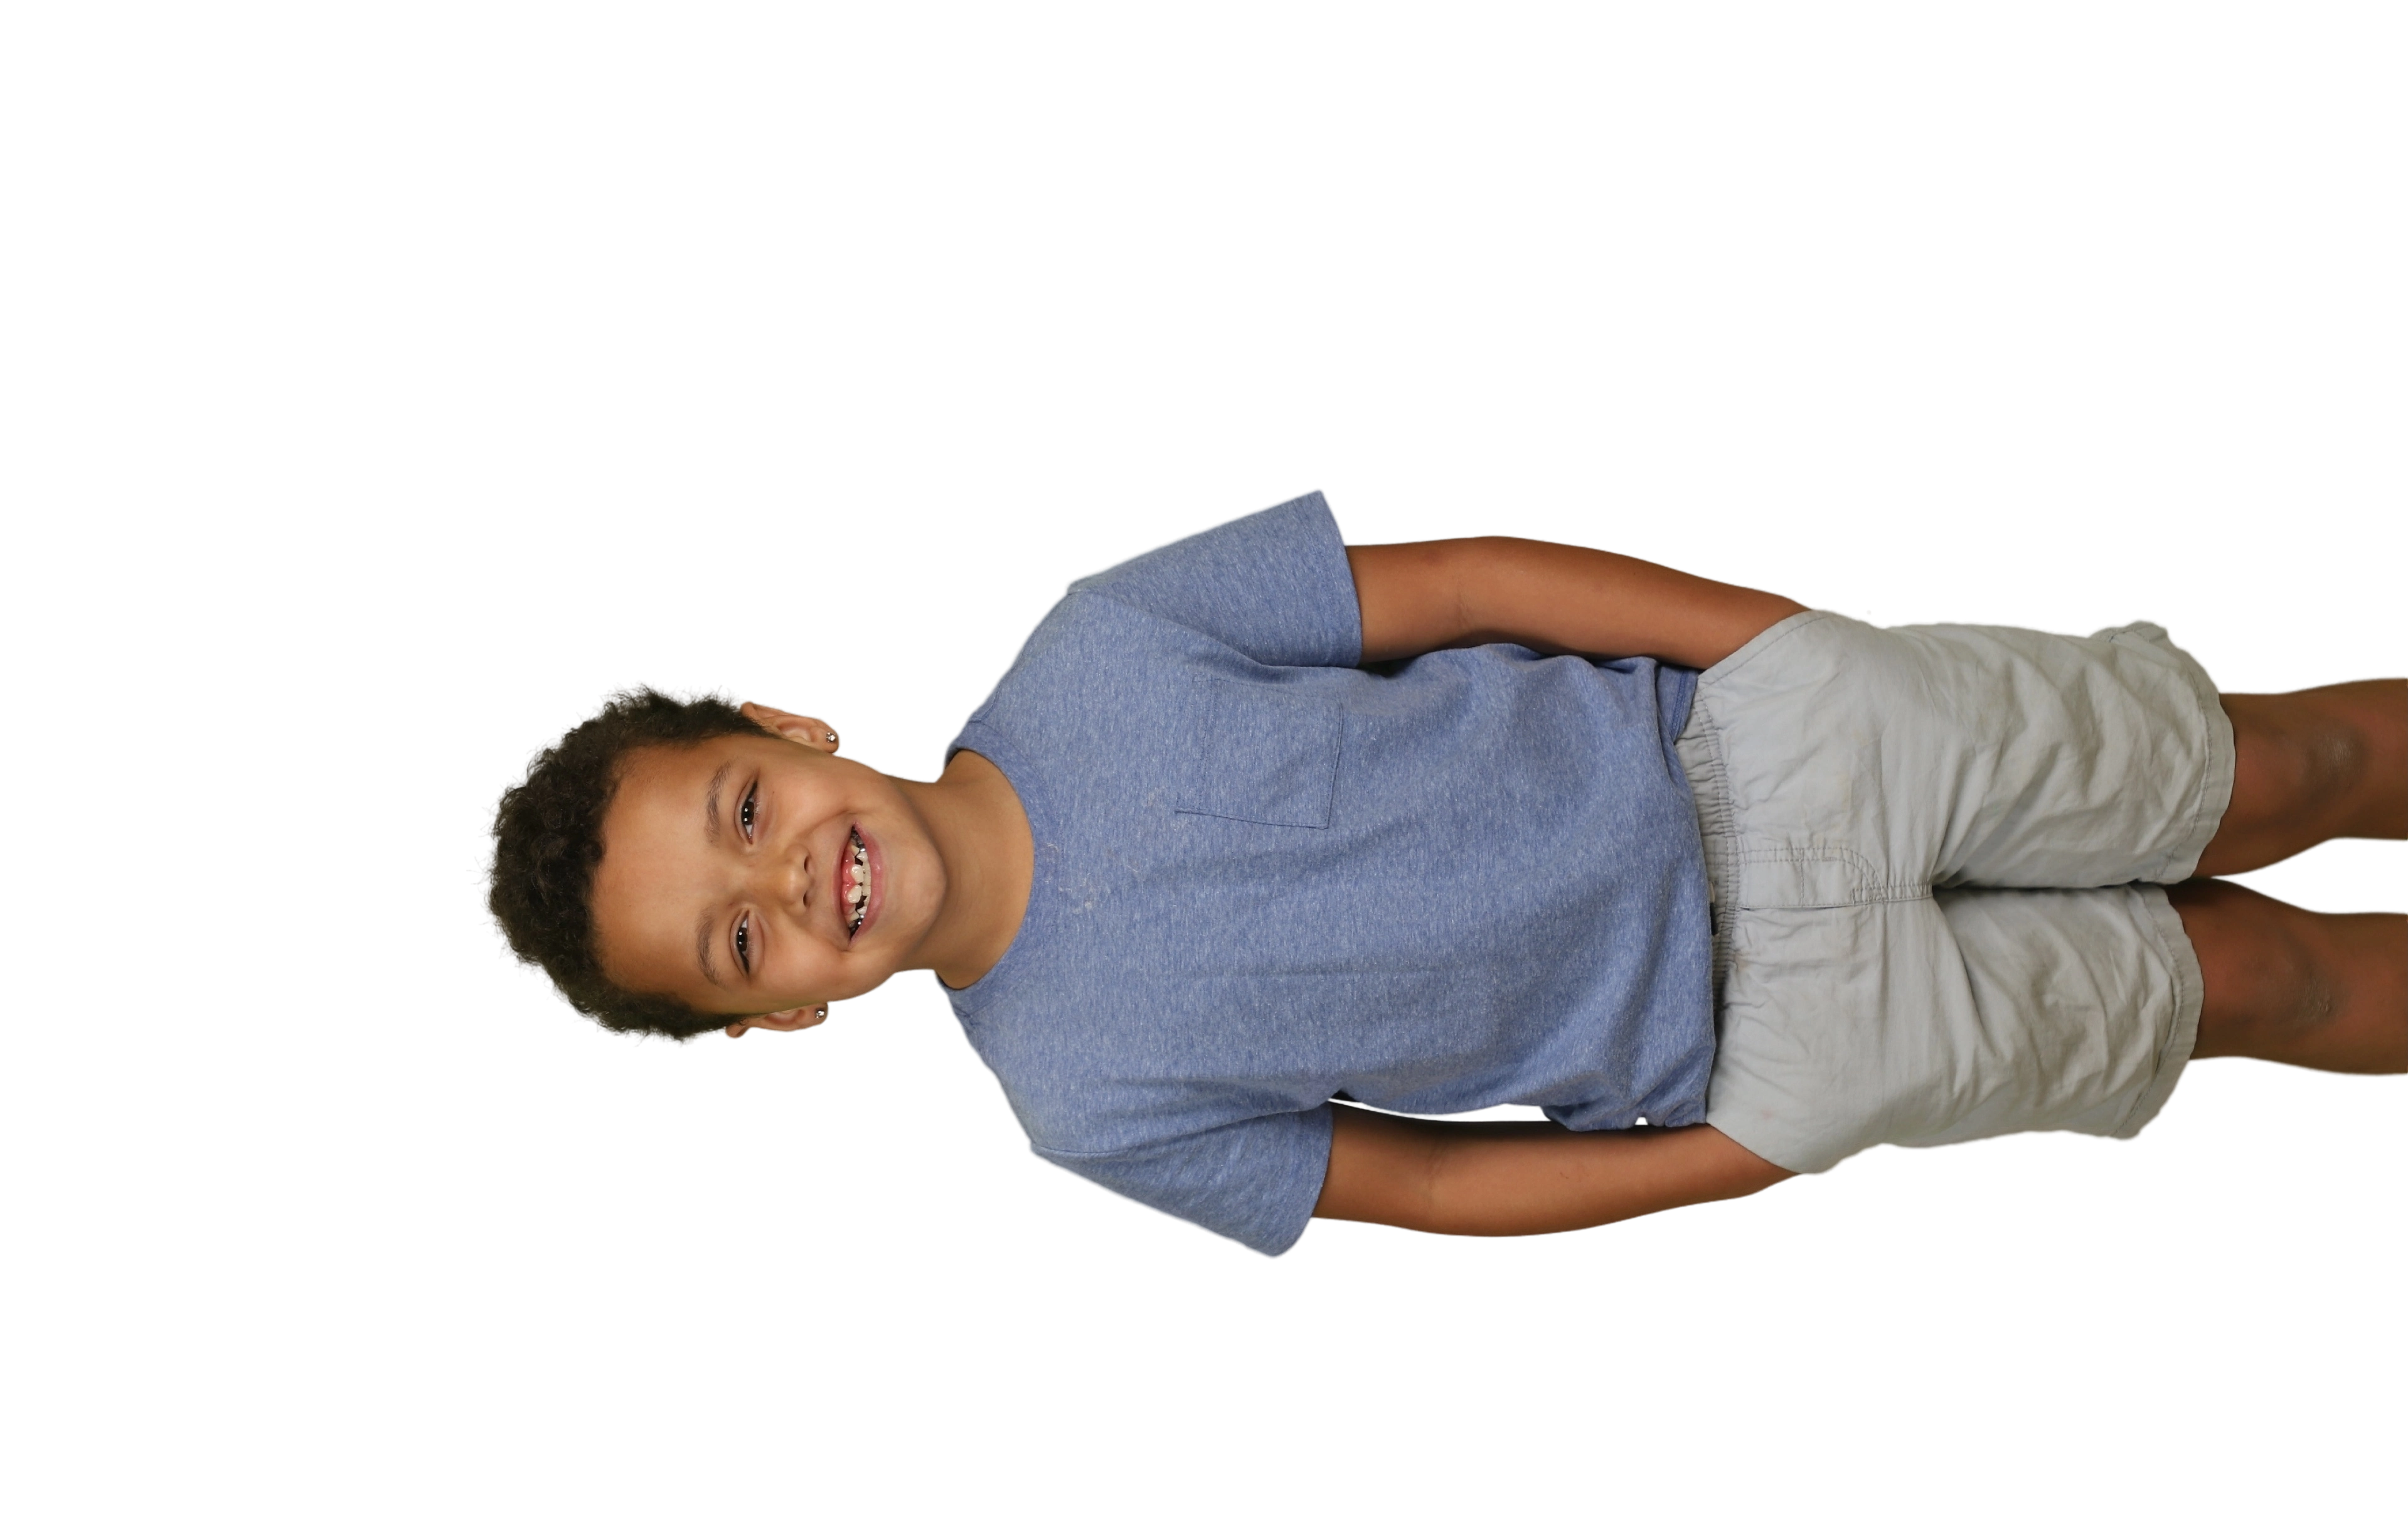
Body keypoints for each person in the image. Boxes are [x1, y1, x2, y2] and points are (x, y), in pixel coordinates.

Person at [468, 488, 2408, 1259]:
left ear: (786, 728)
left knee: (2274, 773)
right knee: (2247, 989)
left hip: (1763, 751)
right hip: (1774, 1039)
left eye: (742, 811)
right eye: (740, 944)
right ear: (778, 1017)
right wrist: (1738, 1150)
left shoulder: (1102, 643)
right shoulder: (1082, 1105)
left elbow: (1467, 585)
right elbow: (1433, 1183)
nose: (793, 884)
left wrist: (1781, 647)